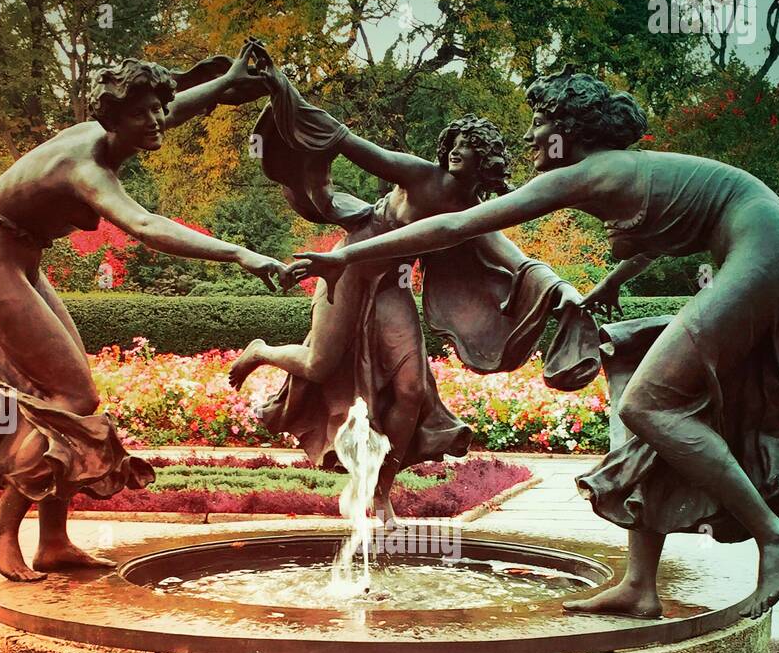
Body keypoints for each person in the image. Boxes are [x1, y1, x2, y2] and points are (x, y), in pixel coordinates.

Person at [291, 66, 779, 617]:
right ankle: (640, 586)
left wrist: (345, 255)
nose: (531, 134)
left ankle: (775, 536)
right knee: (630, 376)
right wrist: (612, 281)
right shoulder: (625, 171)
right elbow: (675, 225)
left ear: (569, 131)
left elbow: (457, 227)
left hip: (766, 256)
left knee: (647, 404)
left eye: (539, 121)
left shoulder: (586, 173)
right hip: (771, 254)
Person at [0, 49, 287, 582]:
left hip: (19, 260)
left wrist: (225, 86)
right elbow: (146, 226)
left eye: (158, 109)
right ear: (113, 118)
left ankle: (53, 542)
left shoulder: (110, 129)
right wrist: (239, 253)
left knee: (67, 396)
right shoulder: (86, 166)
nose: (156, 121)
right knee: (75, 398)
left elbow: (165, 110)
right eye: (142, 113)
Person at [225, 48, 601, 519]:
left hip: (391, 289)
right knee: (319, 366)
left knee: (411, 389)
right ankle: (260, 350)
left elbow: (519, 261)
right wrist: (283, 88)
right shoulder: (418, 174)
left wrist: (563, 289)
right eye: (458, 141)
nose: (461, 149)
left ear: (486, 163)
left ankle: (382, 491)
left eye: (473, 146)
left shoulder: (475, 215)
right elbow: (348, 142)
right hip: (346, 270)